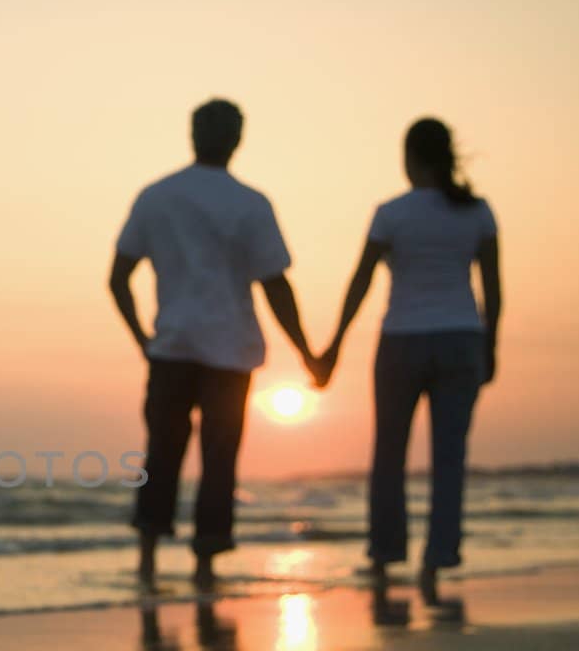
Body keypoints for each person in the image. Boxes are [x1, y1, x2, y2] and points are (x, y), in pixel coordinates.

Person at [109, 98, 320, 589]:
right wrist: (307, 352)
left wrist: (142, 336)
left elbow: (117, 277)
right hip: (231, 351)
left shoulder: (156, 195)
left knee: (161, 453)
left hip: (172, 346)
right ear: (238, 139)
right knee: (219, 457)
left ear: (192, 133)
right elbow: (275, 284)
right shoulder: (250, 202)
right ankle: (204, 564)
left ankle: (147, 559)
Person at [315, 117, 502, 601]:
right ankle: (438, 559)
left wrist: (335, 343)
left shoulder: (391, 213)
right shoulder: (477, 211)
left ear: (409, 159)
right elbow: (494, 290)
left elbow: (360, 281)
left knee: (389, 454)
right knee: (449, 458)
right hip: (462, 338)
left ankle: (384, 552)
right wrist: (490, 345)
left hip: (402, 340)